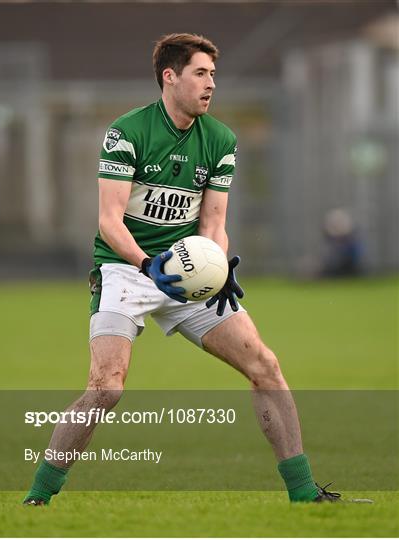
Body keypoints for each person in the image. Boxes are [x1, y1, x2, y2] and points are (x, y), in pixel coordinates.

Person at [23, 33, 340, 506]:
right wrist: (147, 264)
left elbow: (214, 221)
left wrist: (218, 269)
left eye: (213, 74)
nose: (211, 83)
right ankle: (39, 496)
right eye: (200, 73)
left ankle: (303, 492)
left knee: (265, 366)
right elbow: (109, 221)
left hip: (186, 273)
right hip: (126, 269)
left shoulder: (220, 139)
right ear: (169, 77)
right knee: (106, 388)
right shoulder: (127, 132)